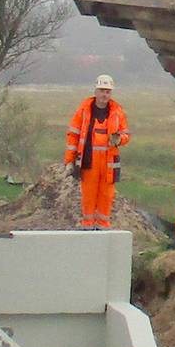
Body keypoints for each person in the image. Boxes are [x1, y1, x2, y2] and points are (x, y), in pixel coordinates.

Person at [65, 74, 130, 231]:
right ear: (95, 91)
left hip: (109, 162)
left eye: (107, 91)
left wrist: (119, 140)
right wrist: (69, 160)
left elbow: (126, 134)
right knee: (88, 194)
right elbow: (73, 135)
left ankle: (103, 226)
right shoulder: (84, 110)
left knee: (106, 195)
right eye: (102, 90)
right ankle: (87, 225)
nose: (104, 94)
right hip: (89, 160)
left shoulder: (117, 112)